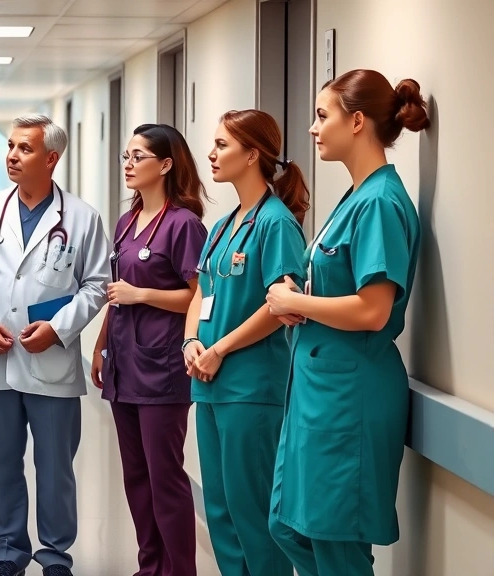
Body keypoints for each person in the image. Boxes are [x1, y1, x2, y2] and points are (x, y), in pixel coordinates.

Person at [265, 69, 428, 576]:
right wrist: (301, 302)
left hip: (350, 397)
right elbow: (341, 290)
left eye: (322, 115)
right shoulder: (356, 196)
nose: (313, 128)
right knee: (287, 526)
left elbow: (373, 309)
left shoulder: (379, 202)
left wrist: (298, 302)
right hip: (318, 387)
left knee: (335, 543)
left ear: (356, 121)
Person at [0, 114, 111, 576]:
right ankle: (7, 551)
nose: (12, 156)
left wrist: (59, 330)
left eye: (25, 148)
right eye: (10, 146)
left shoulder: (82, 218)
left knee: (55, 466)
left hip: (52, 358)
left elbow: (97, 285)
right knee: (0, 462)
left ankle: (56, 554)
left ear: (52, 158)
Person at [182, 109, 309, 576]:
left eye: (222, 145)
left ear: (253, 154)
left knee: (253, 512)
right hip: (211, 383)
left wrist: (220, 349)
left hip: (251, 389)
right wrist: (192, 340)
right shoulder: (223, 225)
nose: (211, 154)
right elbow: (200, 291)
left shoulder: (275, 224)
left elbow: (282, 305)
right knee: (221, 510)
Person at [90, 124, 208, 576]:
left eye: (138, 156)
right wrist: (101, 345)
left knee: (165, 478)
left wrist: (144, 296)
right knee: (136, 478)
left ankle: (179, 570)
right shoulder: (126, 222)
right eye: (126, 155)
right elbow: (116, 294)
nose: (128, 164)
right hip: (123, 361)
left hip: (161, 368)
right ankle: (149, 566)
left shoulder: (183, 224)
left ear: (165, 164)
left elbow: (197, 295)